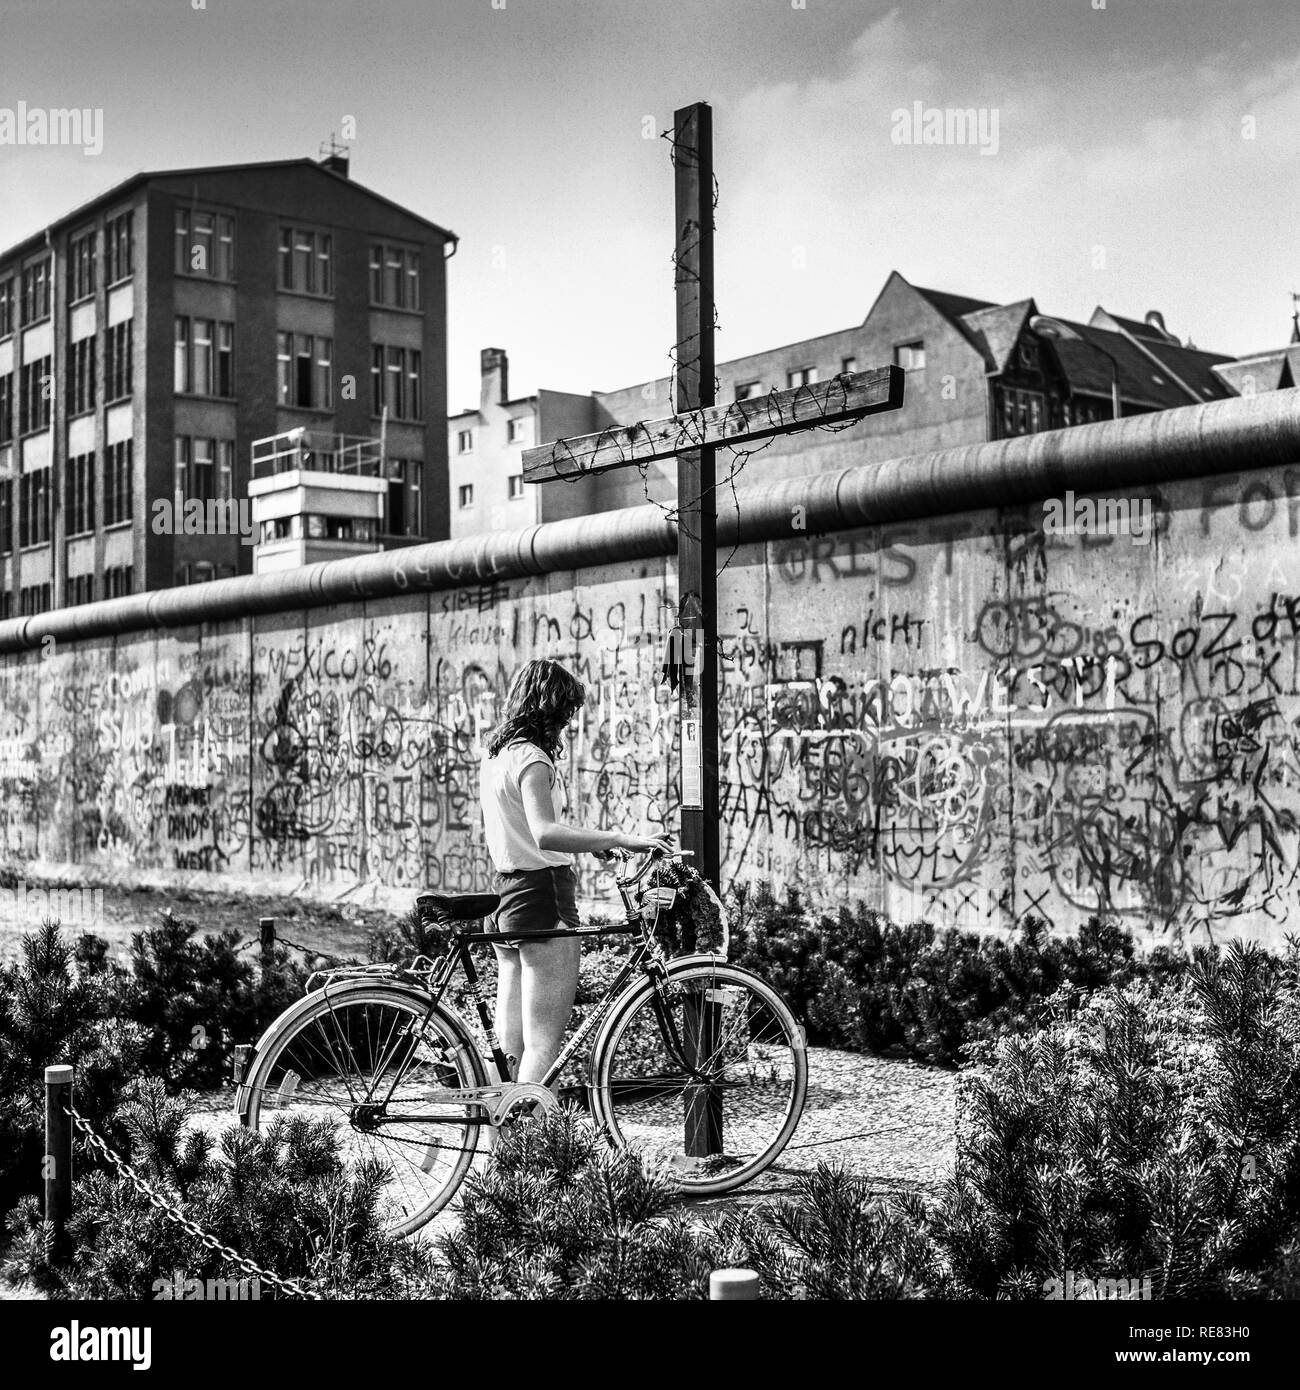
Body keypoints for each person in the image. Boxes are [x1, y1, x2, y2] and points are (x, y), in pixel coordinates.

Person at [478, 658, 672, 1089]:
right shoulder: (534, 760)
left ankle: (493, 1150)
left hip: (505, 896)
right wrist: (620, 837)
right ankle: (524, 1151)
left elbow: (518, 831)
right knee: (544, 1045)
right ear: (550, 708)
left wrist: (596, 844)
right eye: (566, 711)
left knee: (508, 1045)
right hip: (543, 895)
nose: (568, 722)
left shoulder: (497, 757)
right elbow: (545, 834)